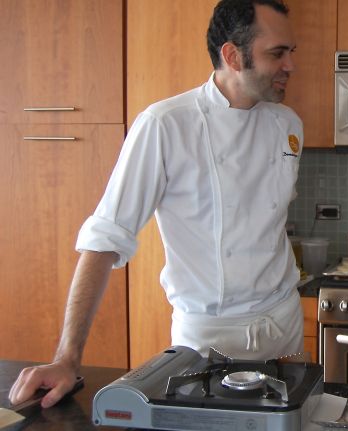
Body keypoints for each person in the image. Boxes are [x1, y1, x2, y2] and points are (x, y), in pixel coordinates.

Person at [9, 0, 303, 408]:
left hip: (284, 327)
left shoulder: (288, 124)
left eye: (291, 52)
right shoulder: (166, 125)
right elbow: (106, 236)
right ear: (233, 56)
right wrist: (66, 358)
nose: (290, 65)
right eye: (277, 53)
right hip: (209, 340)